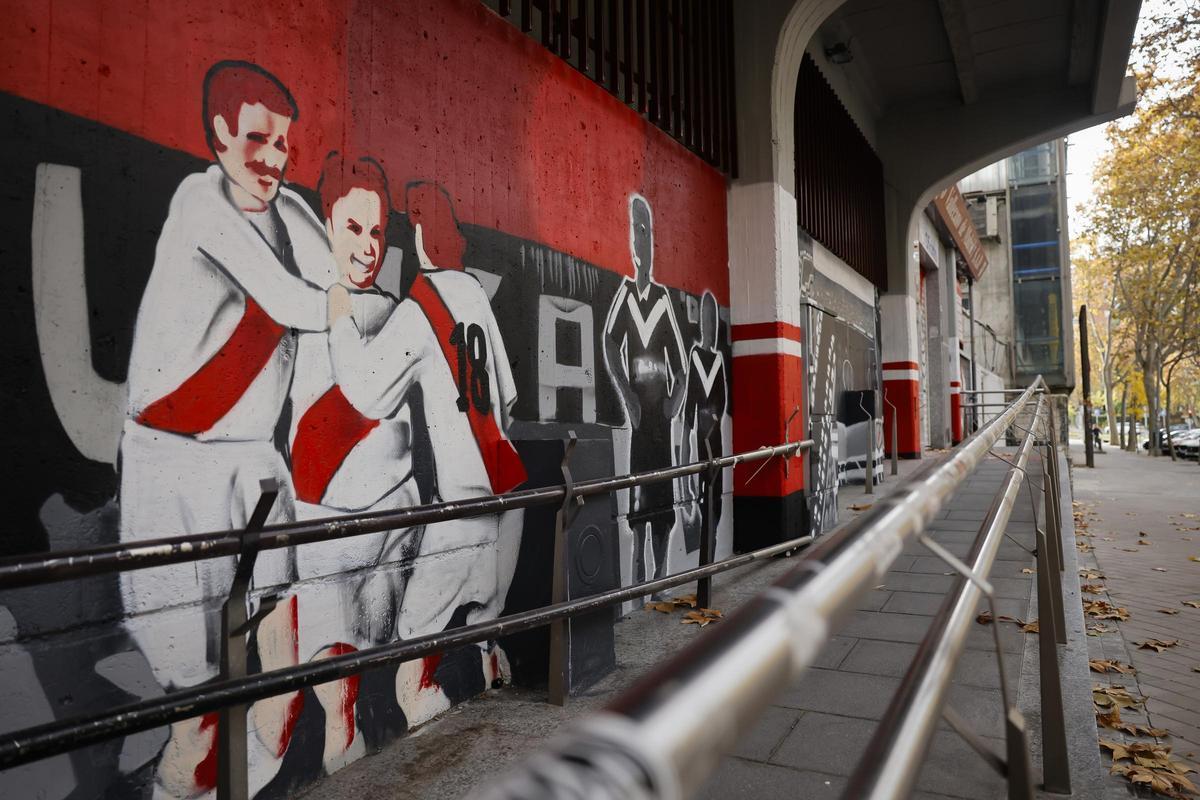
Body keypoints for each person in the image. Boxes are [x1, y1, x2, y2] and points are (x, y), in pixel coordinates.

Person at [118, 60, 345, 798]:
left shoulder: (285, 210)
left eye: (283, 144)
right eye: (256, 140)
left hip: (253, 468)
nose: (274, 160)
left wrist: (348, 284)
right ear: (218, 134)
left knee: (280, 695)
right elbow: (300, 299)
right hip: (171, 470)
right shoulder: (199, 201)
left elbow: (347, 274)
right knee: (200, 721)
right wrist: (345, 298)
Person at [327, 181, 525, 712]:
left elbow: (366, 391)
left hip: (460, 514)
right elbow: (508, 398)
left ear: (416, 233)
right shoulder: (476, 294)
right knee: (485, 640)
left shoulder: (418, 309)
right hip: (509, 503)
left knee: (408, 678)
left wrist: (340, 318)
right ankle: (488, 672)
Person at [287, 152, 422, 769]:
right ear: (326, 223)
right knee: (336, 702)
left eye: (377, 232)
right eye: (353, 229)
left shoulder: (395, 315)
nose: (368, 247)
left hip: (388, 525)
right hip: (323, 529)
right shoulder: (301, 310)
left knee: (365, 684)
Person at [602, 193, 686, 583]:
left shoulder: (663, 300)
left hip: (660, 421)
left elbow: (682, 371)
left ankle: (662, 572)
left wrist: (673, 403)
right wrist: (627, 395)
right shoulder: (626, 296)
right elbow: (608, 342)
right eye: (637, 230)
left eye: (647, 230)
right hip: (639, 419)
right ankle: (637, 572)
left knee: (663, 496)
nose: (643, 239)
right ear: (631, 243)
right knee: (639, 495)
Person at [680, 291, 727, 552]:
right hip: (701, 444)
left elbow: (721, 406)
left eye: (714, 320)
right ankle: (705, 556)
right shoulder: (695, 357)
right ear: (701, 323)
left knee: (716, 501)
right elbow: (688, 417)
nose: (710, 326)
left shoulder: (719, 361)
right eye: (706, 319)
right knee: (704, 500)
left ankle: (711, 549)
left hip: (716, 444)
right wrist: (685, 473)